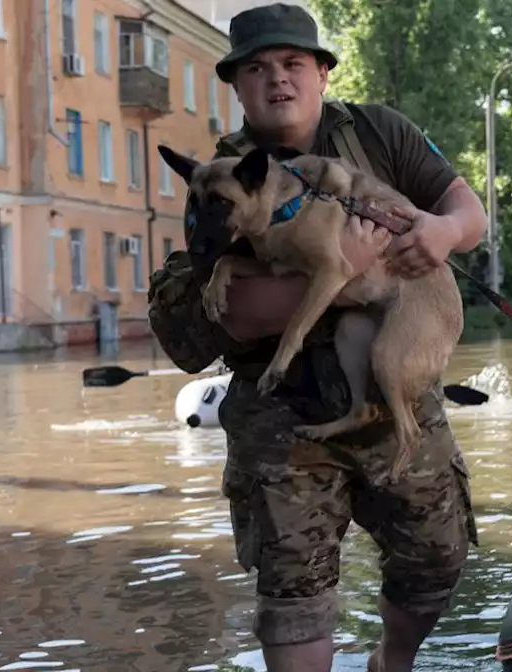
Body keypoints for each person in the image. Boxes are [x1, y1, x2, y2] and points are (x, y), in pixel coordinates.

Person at [147, 4, 488, 671]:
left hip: (393, 406)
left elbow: (465, 211)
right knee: (295, 601)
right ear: (238, 86)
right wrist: (348, 265)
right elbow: (230, 317)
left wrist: (441, 234)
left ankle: (390, 660)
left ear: (322, 74)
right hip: (283, 423)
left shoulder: (378, 132)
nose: (278, 80)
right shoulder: (217, 180)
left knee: (436, 568)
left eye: (293, 64)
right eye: (258, 68)